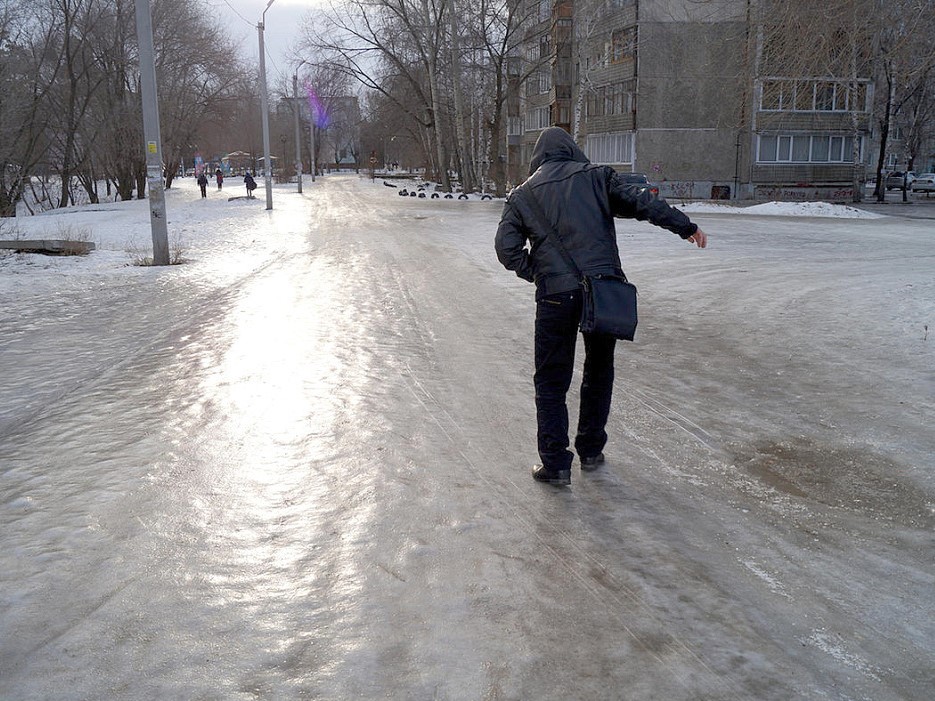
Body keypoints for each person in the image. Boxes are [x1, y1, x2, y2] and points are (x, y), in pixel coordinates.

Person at [495, 127, 708, 486]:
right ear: (572, 151)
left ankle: (556, 464)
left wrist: (541, 274)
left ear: (538, 157)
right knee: (598, 371)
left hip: (555, 296)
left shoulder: (522, 196)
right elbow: (643, 202)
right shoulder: (596, 177)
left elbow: (506, 249)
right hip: (602, 290)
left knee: (551, 380)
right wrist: (684, 226)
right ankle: (591, 450)